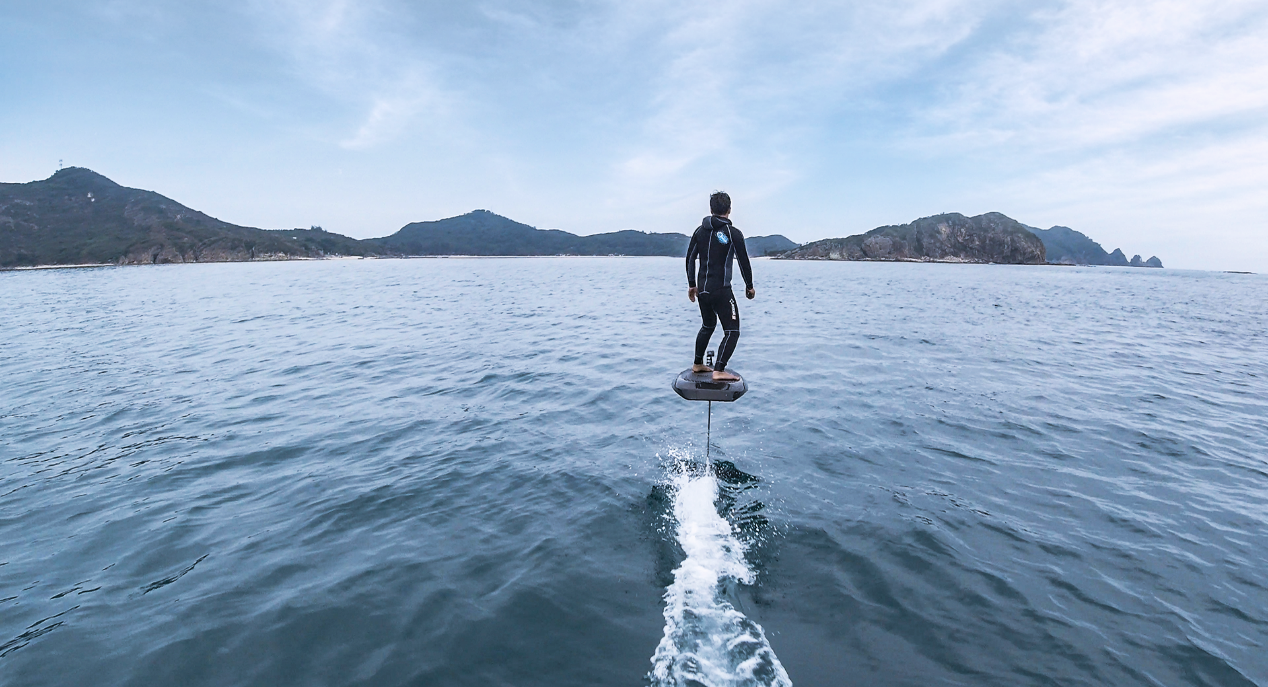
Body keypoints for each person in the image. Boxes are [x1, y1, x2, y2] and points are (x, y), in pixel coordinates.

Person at [685, 191, 755, 382]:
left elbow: (690, 258)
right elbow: (743, 262)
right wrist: (749, 286)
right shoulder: (733, 234)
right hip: (722, 290)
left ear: (711, 209)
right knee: (732, 331)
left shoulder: (699, 231)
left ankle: (698, 363)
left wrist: (692, 284)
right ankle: (719, 370)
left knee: (708, 325)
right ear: (729, 210)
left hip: (703, 290)